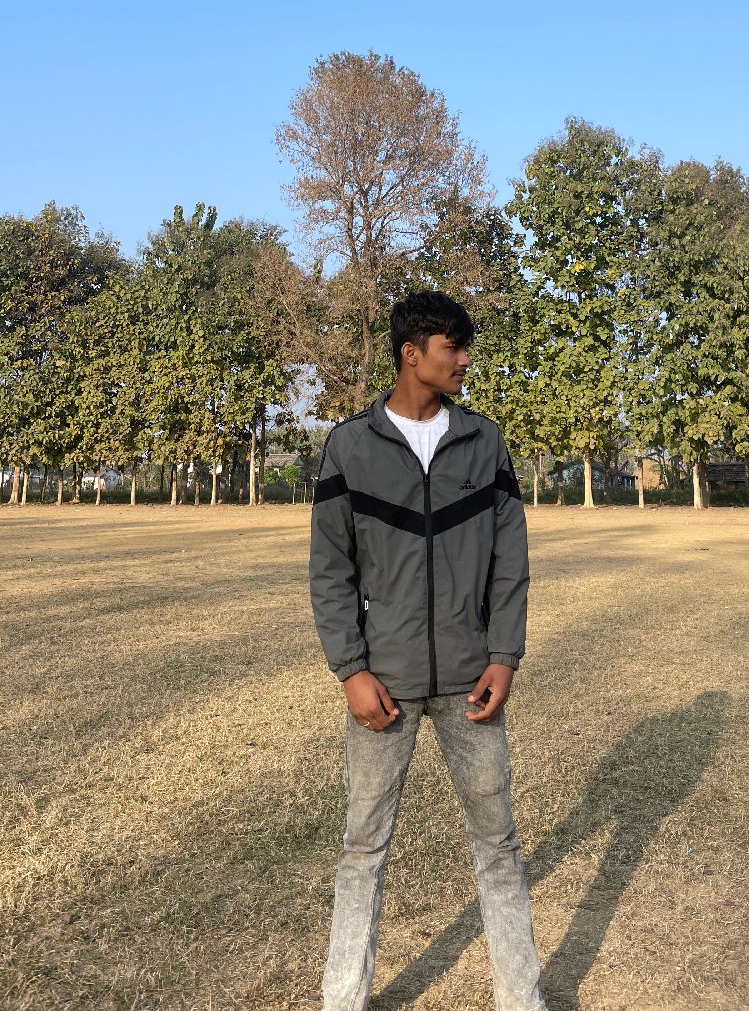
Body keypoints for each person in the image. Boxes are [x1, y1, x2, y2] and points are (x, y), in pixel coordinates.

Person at [308, 290, 548, 1011]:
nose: (465, 359)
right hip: (384, 684)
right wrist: (351, 671)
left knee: (498, 845)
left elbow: (510, 560)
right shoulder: (349, 447)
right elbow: (330, 571)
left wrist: (504, 655)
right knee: (362, 848)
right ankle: (342, 1002)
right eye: (453, 347)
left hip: (472, 681)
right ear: (412, 354)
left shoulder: (485, 442)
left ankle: (522, 1000)